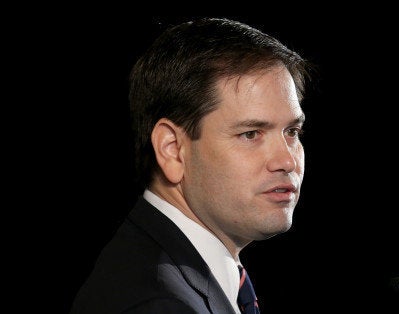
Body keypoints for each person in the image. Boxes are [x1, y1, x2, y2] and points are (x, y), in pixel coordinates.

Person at [70, 17, 312, 314]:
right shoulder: (159, 305)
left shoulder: (166, 273)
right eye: (250, 134)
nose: (287, 160)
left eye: (292, 132)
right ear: (172, 150)